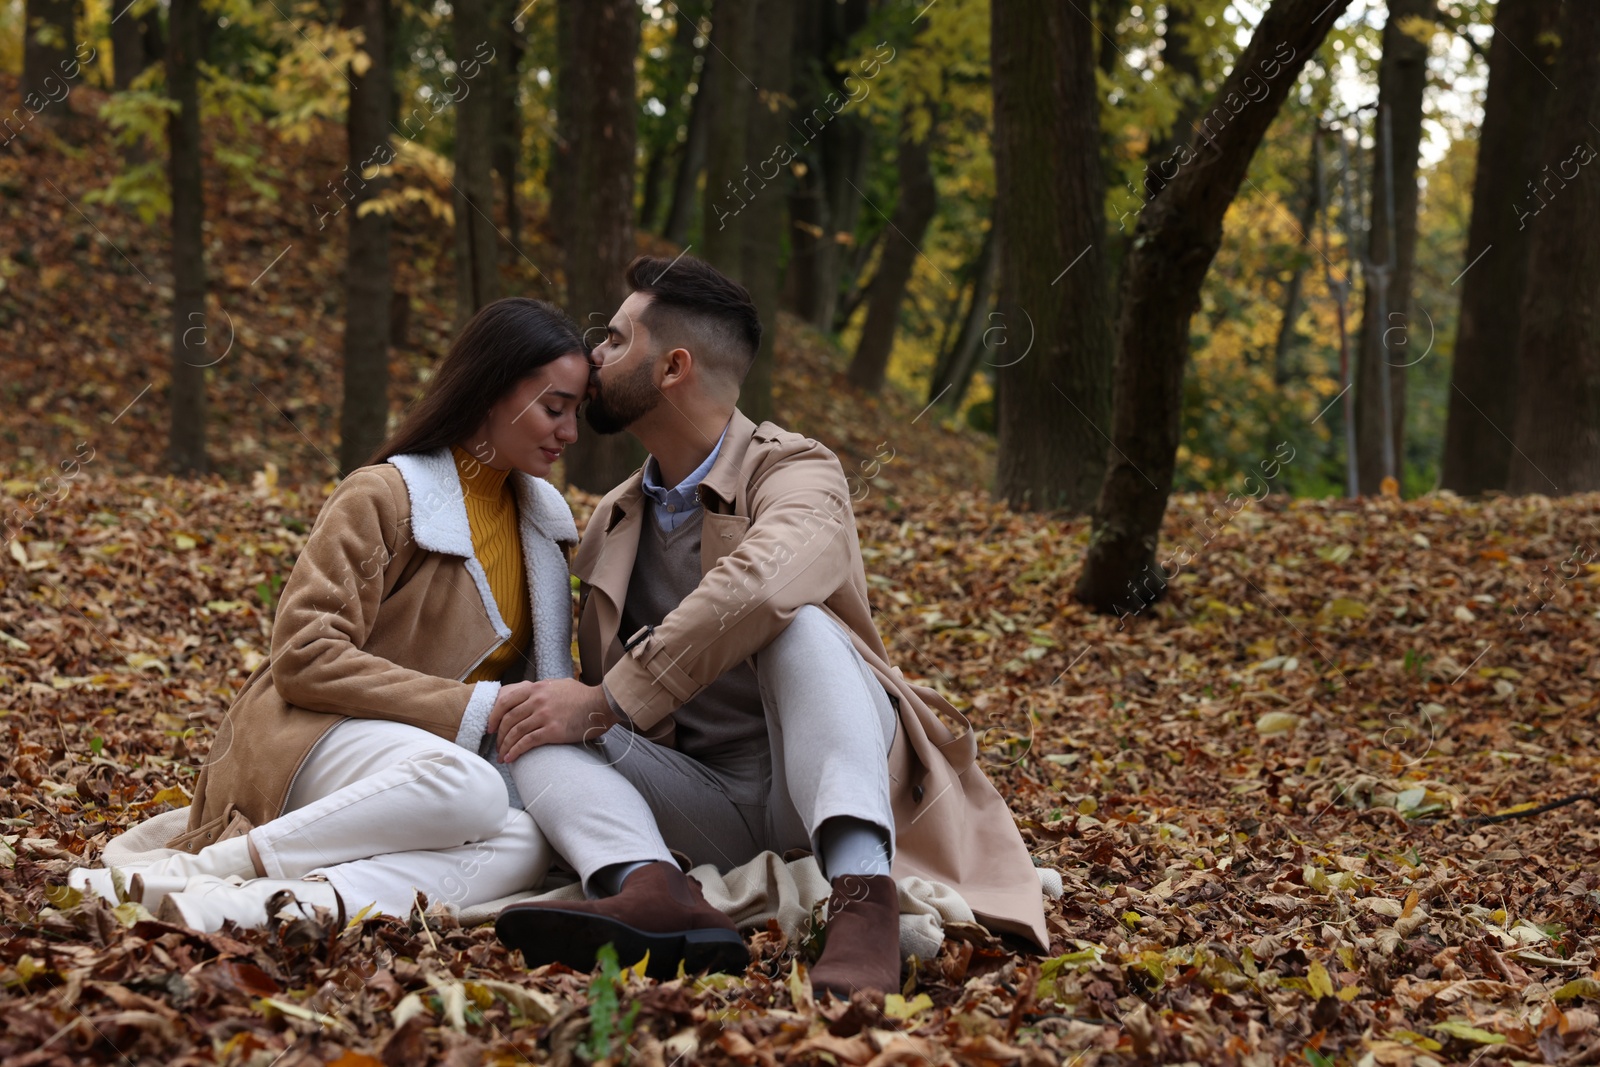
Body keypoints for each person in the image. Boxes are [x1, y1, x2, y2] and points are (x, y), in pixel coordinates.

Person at [488, 255, 1048, 996]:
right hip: (698, 798)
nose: (594, 356)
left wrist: (607, 699)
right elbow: (574, 694)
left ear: (673, 366)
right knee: (529, 724)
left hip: (816, 778)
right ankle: (650, 886)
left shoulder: (801, 472)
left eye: (617, 339)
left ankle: (861, 907)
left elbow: (759, 587)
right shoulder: (612, 517)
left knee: (798, 625)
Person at [68, 298, 590, 932]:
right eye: (555, 409)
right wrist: (474, 708)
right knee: (470, 788)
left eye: (576, 414)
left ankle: (253, 906)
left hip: (425, 770)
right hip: (309, 734)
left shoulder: (543, 523)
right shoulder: (386, 496)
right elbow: (304, 656)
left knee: (526, 843)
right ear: (488, 392)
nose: (569, 432)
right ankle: (210, 866)